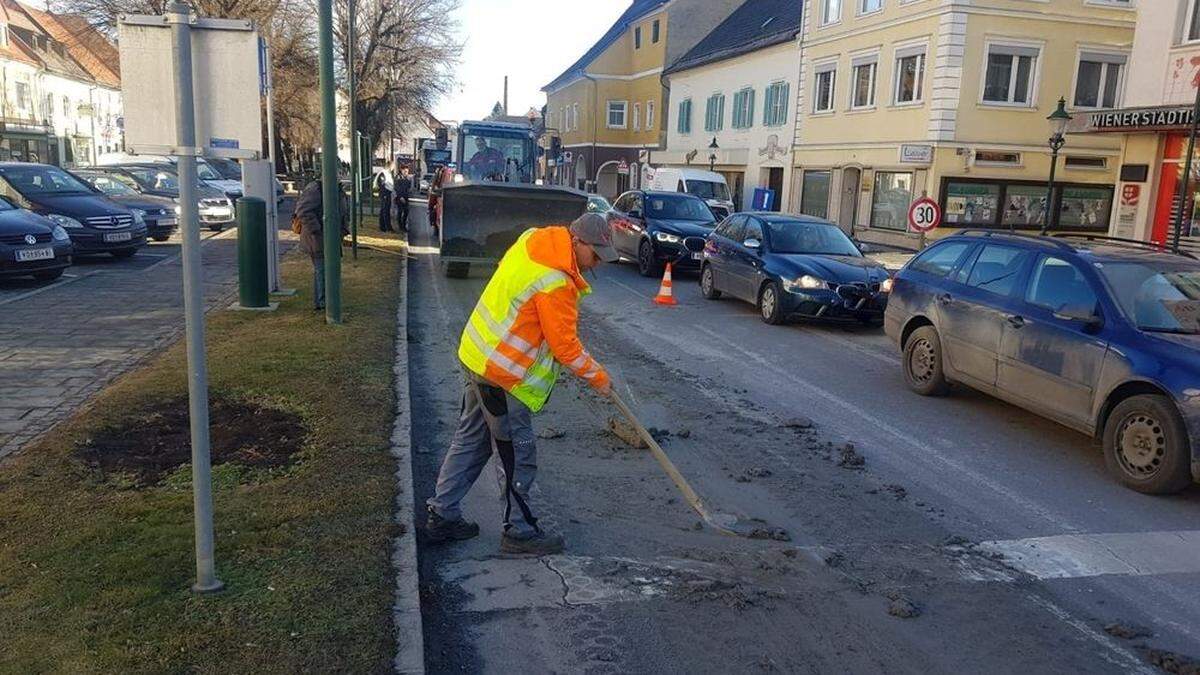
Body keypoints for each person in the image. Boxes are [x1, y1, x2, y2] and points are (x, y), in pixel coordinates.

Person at [425, 213, 619, 555]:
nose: (599, 263)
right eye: (596, 254)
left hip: (478, 355)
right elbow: (565, 347)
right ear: (577, 242)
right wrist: (600, 379)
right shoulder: (555, 282)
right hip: (502, 376)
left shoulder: (534, 239)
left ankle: (442, 514)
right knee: (517, 454)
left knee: (472, 441)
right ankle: (519, 531)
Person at [294, 177, 349, 311]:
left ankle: (325, 300)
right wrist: (317, 229)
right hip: (318, 238)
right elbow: (302, 211)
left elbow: (343, 211)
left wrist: (343, 229)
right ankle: (322, 302)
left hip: (331, 236)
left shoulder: (337, 189)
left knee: (326, 269)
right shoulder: (316, 188)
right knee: (322, 270)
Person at [374, 163, 394, 233]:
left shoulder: (387, 173)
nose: (393, 168)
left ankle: (383, 226)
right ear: (389, 166)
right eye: (393, 166)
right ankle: (387, 227)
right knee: (385, 211)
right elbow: (382, 184)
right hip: (385, 194)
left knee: (384, 210)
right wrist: (384, 194)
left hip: (387, 193)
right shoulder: (383, 173)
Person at [394, 163, 412, 233]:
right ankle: (400, 227)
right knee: (400, 212)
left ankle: (404, 226)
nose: (406, 173)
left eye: (407, 171)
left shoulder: (407, 178)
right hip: (400, 198)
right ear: (401, 170)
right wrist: (400, 197)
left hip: (406, 197)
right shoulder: (398, 178)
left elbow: (408, 188)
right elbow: (397, 188)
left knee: (406, 212)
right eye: (405, 171)